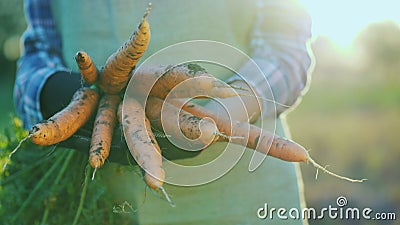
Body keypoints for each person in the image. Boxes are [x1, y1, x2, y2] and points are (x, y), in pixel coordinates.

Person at [14, 0, 313, 224]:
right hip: (92, 198)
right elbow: (38, 52)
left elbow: (283, 49)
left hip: (243, 199)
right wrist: (59, 97)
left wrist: (223, 113)